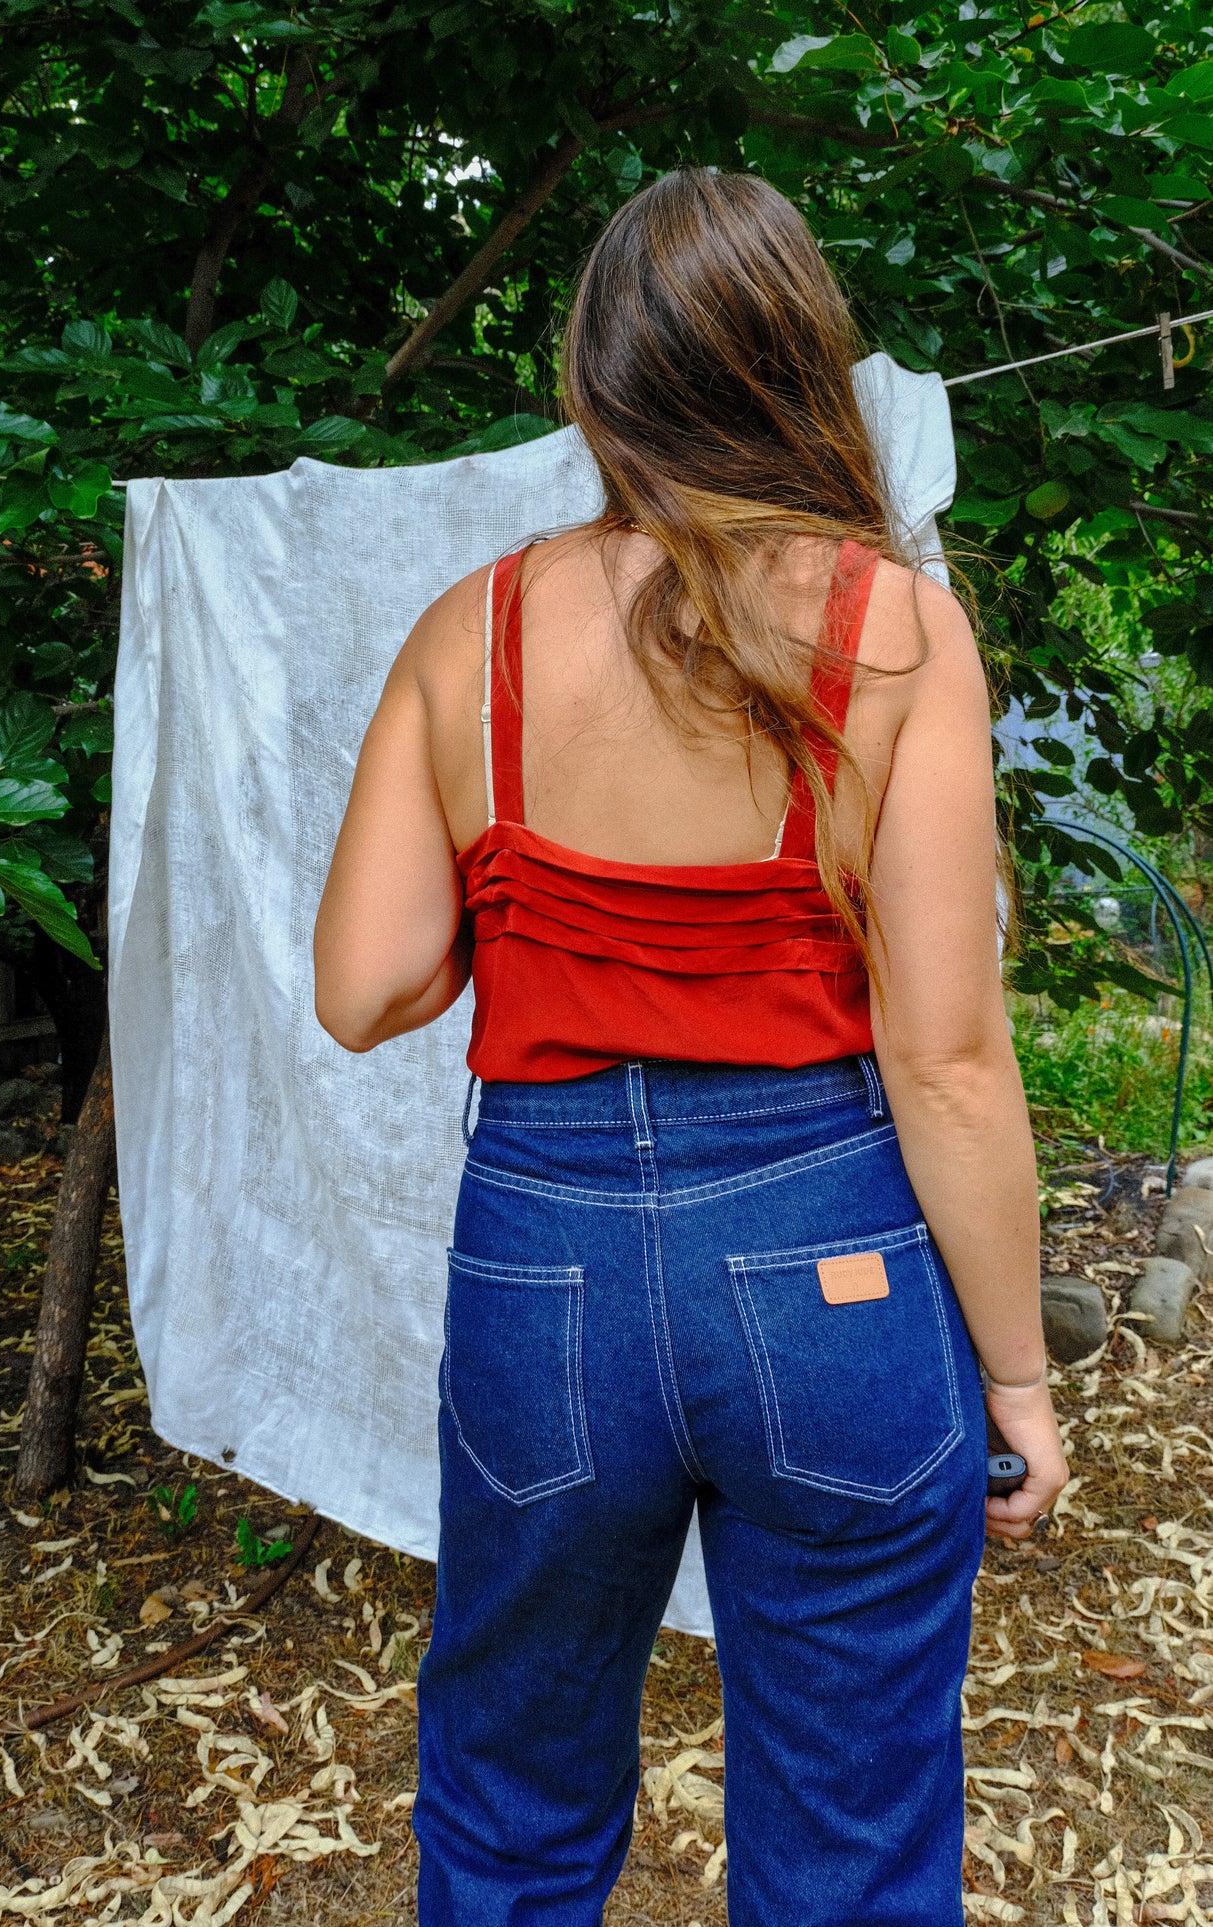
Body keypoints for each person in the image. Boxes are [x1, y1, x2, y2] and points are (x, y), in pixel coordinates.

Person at [314, 167, 1067, 1927]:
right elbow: (946, 1059)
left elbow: (362, 988)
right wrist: (1016, 1383)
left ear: (591, 383)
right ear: (805, 366)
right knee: (854, 1839)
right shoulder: (890, 631)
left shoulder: (470, 633)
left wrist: (520, 919)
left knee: (507, 1802)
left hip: (541, 1263)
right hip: (830, 1265)